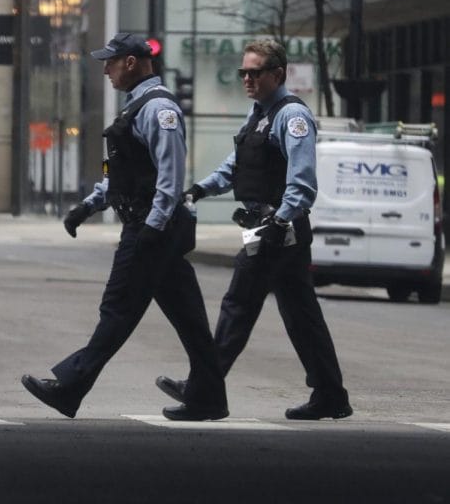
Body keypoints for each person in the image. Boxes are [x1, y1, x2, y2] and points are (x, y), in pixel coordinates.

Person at [21, 32, 227, 421]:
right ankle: (209, 397)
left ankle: (70, 387)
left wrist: (152, 228)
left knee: (117, 310)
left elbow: (169, 175)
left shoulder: (159, 110)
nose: (106, 70)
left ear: (131, 62)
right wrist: (88, 206)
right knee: (189, 317)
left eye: (111, 62)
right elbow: (125, 176)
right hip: (151, 223)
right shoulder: (137, 107)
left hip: (151, 226)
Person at [155, 39, 353, 421]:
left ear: (277, 74)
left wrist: (281, 221)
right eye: (244, 72)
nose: (246, 78)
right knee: (302, 317)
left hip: (278, 229)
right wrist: (200, 189)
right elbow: (236, 166)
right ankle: (330, 394)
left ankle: (203, 392)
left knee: (237, 307)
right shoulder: (259, 114)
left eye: (254, 72)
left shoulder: (291, 116)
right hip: (273, 228)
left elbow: (303, 181)